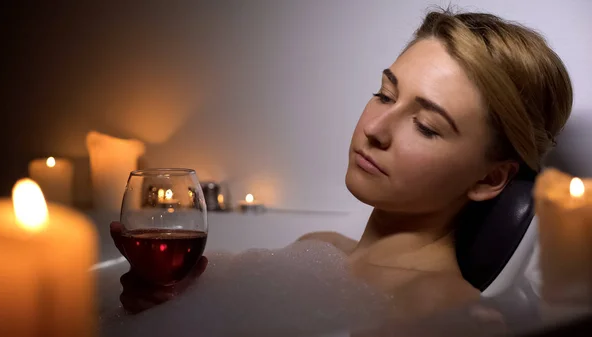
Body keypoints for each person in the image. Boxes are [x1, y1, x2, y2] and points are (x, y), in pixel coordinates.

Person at [112, 8, 573, 317]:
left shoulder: (435, 304)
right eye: (385, 94)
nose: (376, 127)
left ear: (490, 178)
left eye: (427, 126)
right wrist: (167, 300)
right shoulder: (319, 247)